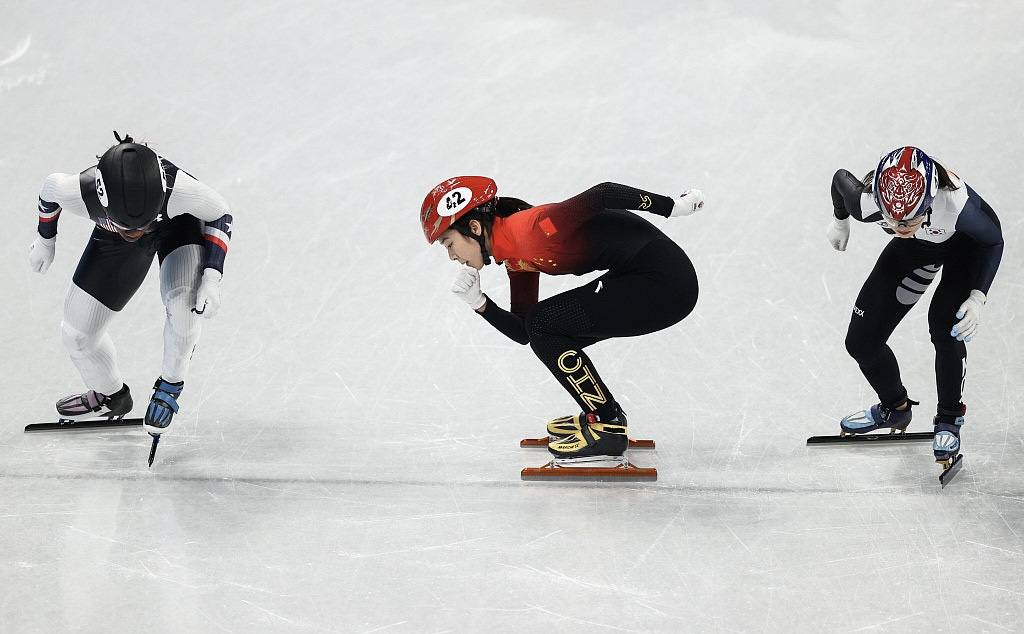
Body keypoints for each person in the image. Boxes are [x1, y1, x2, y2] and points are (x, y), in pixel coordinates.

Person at [420, 177, 703, 462]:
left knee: (544, 321)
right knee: (541, 324)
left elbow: (602, 194)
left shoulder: (533, 228)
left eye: (448, 243)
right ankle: (603, 415)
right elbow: (526, 332)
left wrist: (672, 207)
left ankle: (608, 427)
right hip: (645, 277)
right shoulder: (515, 254)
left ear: (474, 228)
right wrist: (480, 304)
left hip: (665, 282)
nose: (451, 256)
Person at [29, 132, 234, 444]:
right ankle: (112, 395)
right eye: (130, 226)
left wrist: (211, 277)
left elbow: (219, 212)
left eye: (142, 223)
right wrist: (46, 241)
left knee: (184, 307)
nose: (137, 232)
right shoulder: (79, 190)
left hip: (177, 225)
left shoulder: (180, 191)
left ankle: (170, 385)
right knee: (77, 336)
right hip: (118, 233)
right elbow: (49, 191)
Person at [827, 146, 1003, 468]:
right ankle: (896, 407)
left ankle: (950, 418)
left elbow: (993, 240)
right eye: (893, 221)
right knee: (861, 342)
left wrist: (978, 297)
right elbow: (840, 180)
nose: (901, 228)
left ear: (930, 200)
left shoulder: (957, 206)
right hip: (914, 253)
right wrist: (841, 221)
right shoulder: (870, 203)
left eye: (911, 218)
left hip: (964, 250)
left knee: (944, 327)